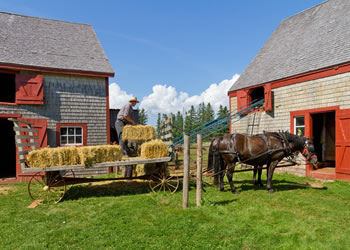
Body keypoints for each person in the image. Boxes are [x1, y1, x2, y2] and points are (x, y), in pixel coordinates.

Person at [115, 97, 139, 178]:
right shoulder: (128, 106)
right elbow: (125, 116)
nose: (135, 103)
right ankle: (122, 153)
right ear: (133, 102)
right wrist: (133, 122)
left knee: (124, 138)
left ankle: (125, 151)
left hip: (123, 123)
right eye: (135, 102)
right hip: (120, 122)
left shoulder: (130, 107)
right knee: (122, 137)